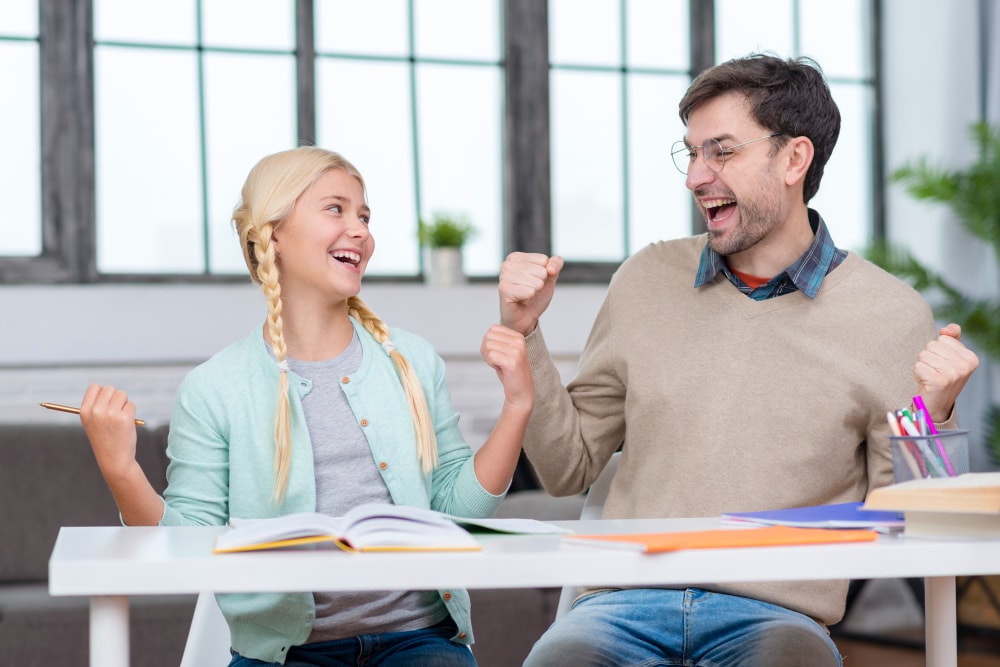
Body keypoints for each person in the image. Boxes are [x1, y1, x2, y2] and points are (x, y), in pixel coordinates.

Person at [499, 54, 980, 666]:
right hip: (619, 609)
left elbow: (914, 534)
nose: (696, 176)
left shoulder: (891, 314)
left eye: (720, 151)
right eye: (692, 152)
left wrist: (931, 418)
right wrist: (527, 332)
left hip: (777, 618)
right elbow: (567, 470)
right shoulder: (646, 279)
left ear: (793, 159)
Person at [79, 146, 533, 666]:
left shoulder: (412, 360)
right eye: (335, 209)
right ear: (274, 233)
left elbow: (456, 513)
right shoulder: (214, 389)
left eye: (364, 215)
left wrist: (518, 404)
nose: (360, 229)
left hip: (419, 640)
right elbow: (188, 549)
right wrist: (121, 469)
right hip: (286, 655)